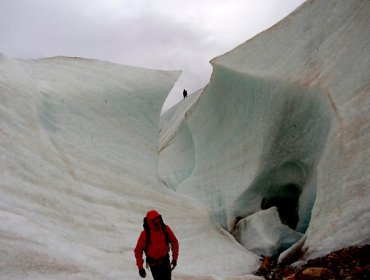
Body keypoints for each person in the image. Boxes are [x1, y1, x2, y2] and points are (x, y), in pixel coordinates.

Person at [134, 210, 179, 279]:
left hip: (165, 262)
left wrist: (175, 258)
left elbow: (174, 242)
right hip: (154, 265)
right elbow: (138, 251)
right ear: (150, 222)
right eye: (155, 219)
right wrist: (140, 267)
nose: (158, 220)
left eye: (158, 218)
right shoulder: (145, 234)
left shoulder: (165, 229)